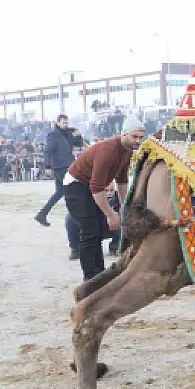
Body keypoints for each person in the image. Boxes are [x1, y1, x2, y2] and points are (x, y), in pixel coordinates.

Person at [63, 118, 145, 281]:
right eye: (134, 137)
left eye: (140, 138)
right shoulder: (108, 150)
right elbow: (96, 186)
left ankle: (99, 274)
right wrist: (110, 214)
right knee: (89, 231)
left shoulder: (127, 150)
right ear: (124, 134)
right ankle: (90, 278)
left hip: (90, 187)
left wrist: (124, 205)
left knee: (97, 232)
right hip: (76, 185)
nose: (138, 141)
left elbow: (122, 179)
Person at [35, 114, 82, 227]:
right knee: (72, 189)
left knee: (60, 192)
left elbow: (79, 144)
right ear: (58, 122)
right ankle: (77, 217)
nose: (66, 125)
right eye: (63, 123)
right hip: (60, 167)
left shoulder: (68, 133)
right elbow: (48, 151)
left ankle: (42, 214)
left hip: (68, 165)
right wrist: (47, 166)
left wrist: (78, 135)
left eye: (67, 123)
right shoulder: (53, 135)